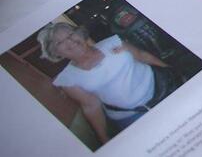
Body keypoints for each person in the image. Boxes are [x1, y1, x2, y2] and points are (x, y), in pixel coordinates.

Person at [38, 22, 179, 144]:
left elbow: (142, 56)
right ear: (55, 52)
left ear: (79, 33)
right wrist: (103, 137)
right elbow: (91, 105)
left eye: (70, 34)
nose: (70, 41)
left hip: (166, 89)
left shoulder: (112, 42)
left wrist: (172, 71)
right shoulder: (68, 79)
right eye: (60, 42)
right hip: (133, 115)